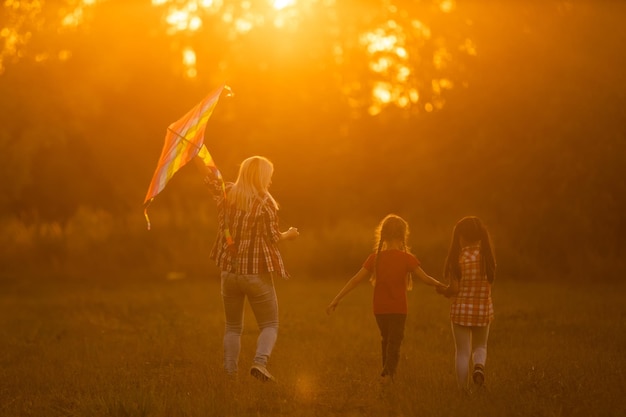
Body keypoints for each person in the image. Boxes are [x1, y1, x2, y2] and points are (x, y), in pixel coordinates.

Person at [197, 155, 299, 382]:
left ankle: (229, 373)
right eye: (269, 176)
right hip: (255, 274)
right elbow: (273, 237)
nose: (270, 181)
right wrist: (289, 235)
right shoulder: (266, 204)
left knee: (232, 327)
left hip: (229, 273)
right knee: (270, 324)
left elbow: (210, 177)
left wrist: (196, 153)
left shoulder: (228, 193)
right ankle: (260, 363)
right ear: (262, 176)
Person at [326, 214, 445, 381]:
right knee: (394, 342)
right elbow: (425, 279)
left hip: (379, 309)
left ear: (383, 235)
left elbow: (355, 280)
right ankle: (389, 372)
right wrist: (443, 287)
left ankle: (386, 375)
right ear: (403, 236)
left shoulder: (375, 258)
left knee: (387, 339)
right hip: (398, 309)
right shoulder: (407, 258)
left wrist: (336, 299)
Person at [436, 216, 496, 393]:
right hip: (483, 310)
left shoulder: (458, 258)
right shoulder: (487, 258)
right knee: (481, 346)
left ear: (461, 237)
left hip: (461, 311)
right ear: (480, 235)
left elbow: (454, 289)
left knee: (462, 351)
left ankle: (463, 391)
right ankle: (479, 366)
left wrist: (442, 290)